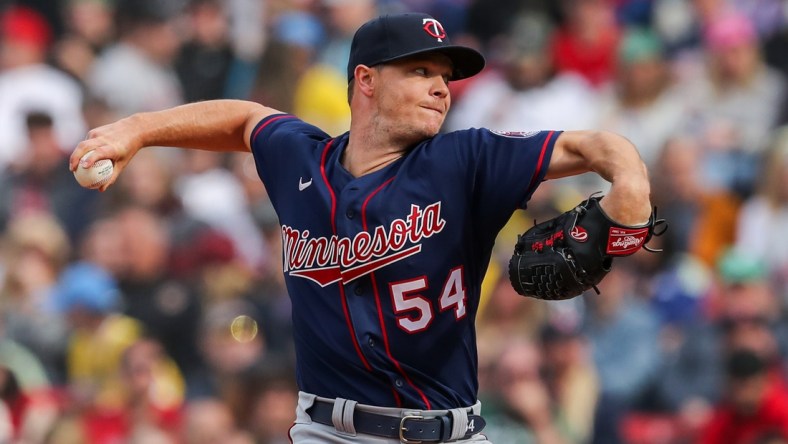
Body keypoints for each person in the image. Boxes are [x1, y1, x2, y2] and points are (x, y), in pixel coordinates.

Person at [70, 12, 653, 443]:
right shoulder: (301, 160)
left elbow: (597, 145)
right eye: (420, 70)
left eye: (445, 76)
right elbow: (246, 119)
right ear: (366, 81)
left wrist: (630, 188)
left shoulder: (465, 161)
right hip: (330, 431)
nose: (440, 87)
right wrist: (138, 130)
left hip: (448, 431)